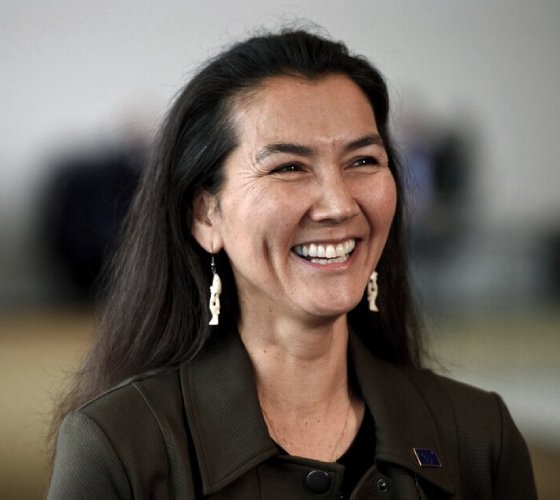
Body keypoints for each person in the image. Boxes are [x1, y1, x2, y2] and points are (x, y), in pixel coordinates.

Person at [47, 29, 537, 499]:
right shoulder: (119, 447)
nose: (338, 205)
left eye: (363, 161)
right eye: (289, 167)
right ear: (206, 215)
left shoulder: (480, 436)